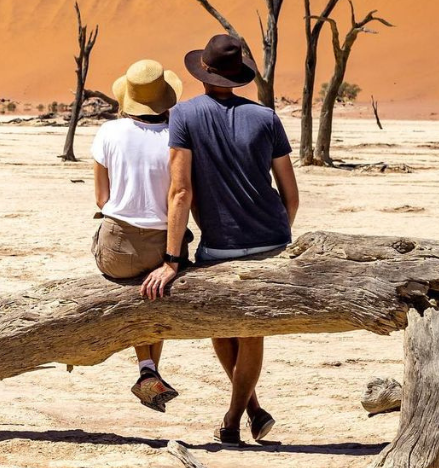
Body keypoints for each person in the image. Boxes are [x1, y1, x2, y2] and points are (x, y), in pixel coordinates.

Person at [140, 34, 299, 446]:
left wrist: (172, 259)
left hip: (219, 245)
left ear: (204, 72)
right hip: (271, 238)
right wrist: (279, 235)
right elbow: (290, 193)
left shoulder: (185, 115)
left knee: (225, 327)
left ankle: (233, 418)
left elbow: (180, 192)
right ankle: (253, 410)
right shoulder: (266, 117)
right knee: (249, 331)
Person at [91, 59, 191, 413]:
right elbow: (183, 194)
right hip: (165, 244)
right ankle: (149, 369)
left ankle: (146, 370)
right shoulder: (178, 137)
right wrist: (173, 256)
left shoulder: (108, 132)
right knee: (154, 292)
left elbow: (101, 199)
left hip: (115, 249)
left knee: (139, 286)